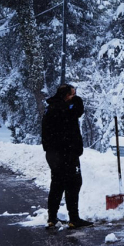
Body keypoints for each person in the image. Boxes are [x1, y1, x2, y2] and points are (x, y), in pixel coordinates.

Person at [41, 84, 94, 229]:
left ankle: (52, 218)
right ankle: (74, 219)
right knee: (73, 184)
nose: (74, 97)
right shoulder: (64, 109)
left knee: (57, 184)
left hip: (53, 154)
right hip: (67, 154)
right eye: (72, 94)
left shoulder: (50, 108)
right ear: (66, 95)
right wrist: (78, 100)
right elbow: (78, 111)